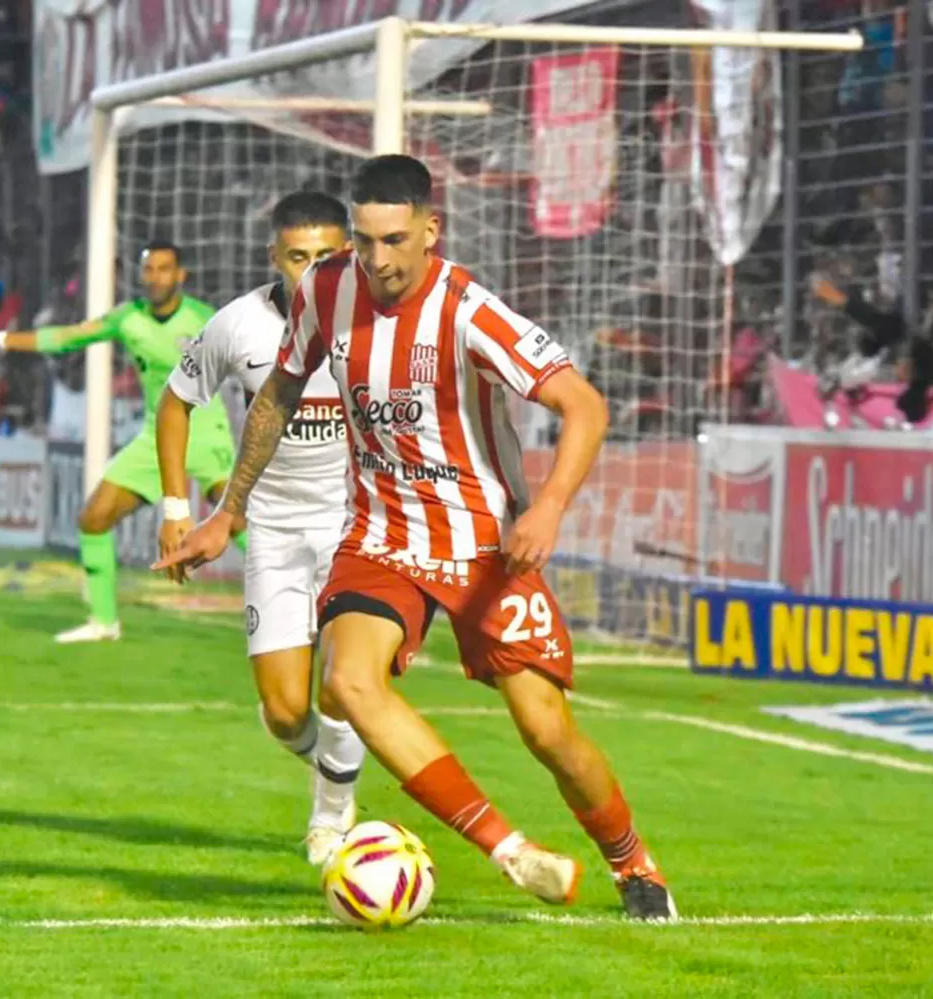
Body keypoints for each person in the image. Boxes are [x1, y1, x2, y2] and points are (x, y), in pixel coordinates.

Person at [157, 155, 675, 921]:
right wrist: (229, 510)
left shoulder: (469, 310)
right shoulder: (328, 291)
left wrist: (551, 507)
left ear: (431, 229)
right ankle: (511, 850)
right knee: (349, 682)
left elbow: (584, 406)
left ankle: (634, 863)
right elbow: (279, 391)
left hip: (486, 544)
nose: (378, 260)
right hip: (379, 534)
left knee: (546, 730)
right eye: (363, 241)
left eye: (394, 240)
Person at [156, 191, 364, 865]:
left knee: (345, 682)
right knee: (283, 712)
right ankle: (336, 768)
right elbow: (175, 402)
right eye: (297, 258)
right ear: (273, 257)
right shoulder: (237, 325)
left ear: (351, 255)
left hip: (354, 526)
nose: (311, 272)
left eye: (327, 257)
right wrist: (177, 507)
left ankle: (332, 820)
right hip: (271, 529)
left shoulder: (379, 322)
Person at [0, 242, 236, 643]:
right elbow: (63, 338)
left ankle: (305, 608)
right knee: (94, 519)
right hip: (154, 436)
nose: (156, 277)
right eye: (149, 269)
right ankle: (104, 621)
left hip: (205, 433)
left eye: (165, 269)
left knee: (243, 525)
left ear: (180, 275)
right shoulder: (128, 318)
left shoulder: (205, 319)